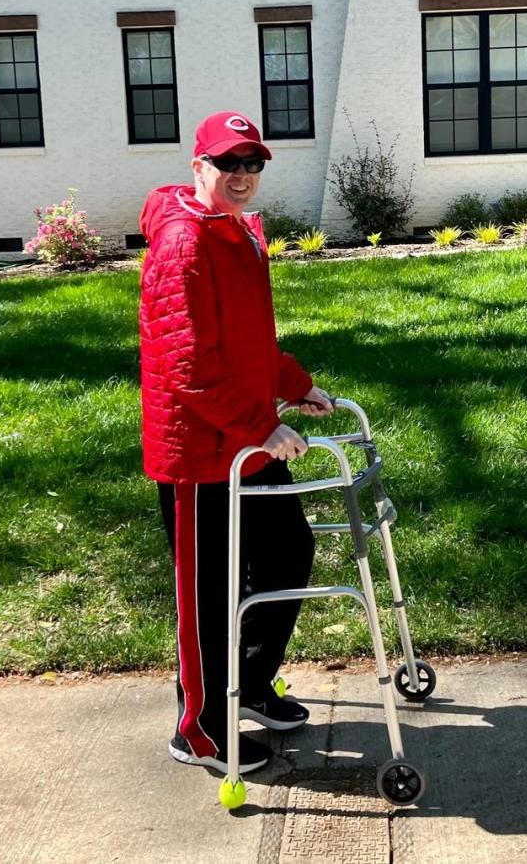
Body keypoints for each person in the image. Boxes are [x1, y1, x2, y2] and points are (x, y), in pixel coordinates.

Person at [138, 111, 334, 775]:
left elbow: (249, 341)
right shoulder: (185, 243)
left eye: (253, 164)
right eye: (229, 163)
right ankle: (199, 730)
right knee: (209, 596)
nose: (243, 175)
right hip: (199, 455)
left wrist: (296, 386)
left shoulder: (238, 231)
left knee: (288, 551)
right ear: (199, 167)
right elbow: (187, 367)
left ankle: (246, 682)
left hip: (248, 442)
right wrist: (261, 427)